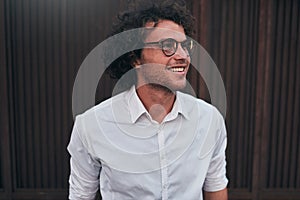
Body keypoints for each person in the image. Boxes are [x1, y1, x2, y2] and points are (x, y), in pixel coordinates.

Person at [68, 0, 228, 199]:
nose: (183, 56)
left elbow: (216, 188)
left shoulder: (210, 120)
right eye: (168, 45)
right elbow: (81, 196)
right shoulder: (92, 126)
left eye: (185, 45)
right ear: (135, 58)